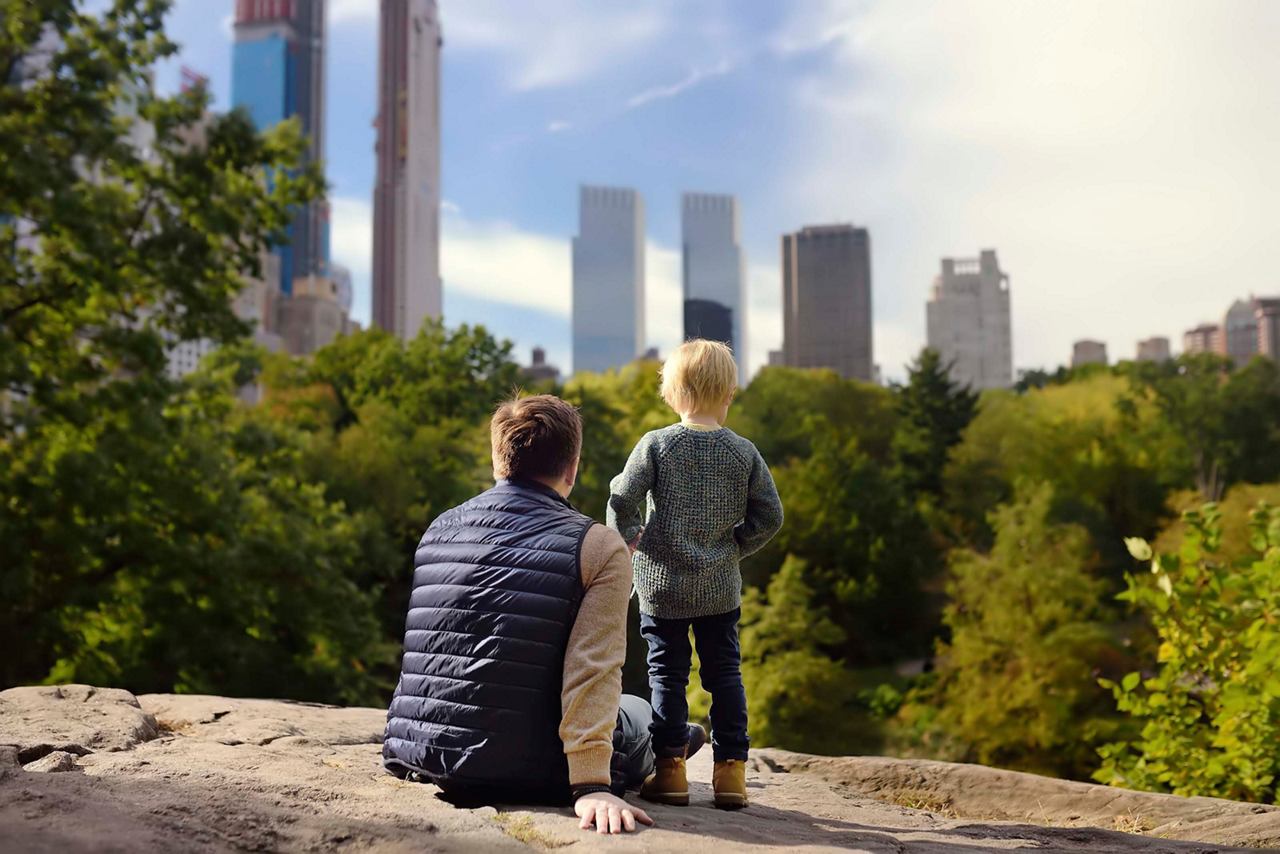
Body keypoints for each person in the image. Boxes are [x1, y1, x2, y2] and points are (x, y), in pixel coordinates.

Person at [382, 394, 703, 835]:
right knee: (639, 712)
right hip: (534, 769)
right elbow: (593, 668)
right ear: (572, 467)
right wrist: (591, 784)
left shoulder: (441, 526)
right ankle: (673, 743)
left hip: (425, 755)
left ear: (498, 460)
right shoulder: (597, 543)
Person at [607, 339, 784, 809]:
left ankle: (670, 773)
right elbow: (771, 516)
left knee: (666, 675)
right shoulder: (744, 452)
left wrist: (628, 544)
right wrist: (734, 549)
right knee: (725, 675)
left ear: (671, 393)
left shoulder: (657, 444)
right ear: (729, 394)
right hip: (720, 589)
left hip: (661, 586)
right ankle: (731, 776)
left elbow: (623, 499)